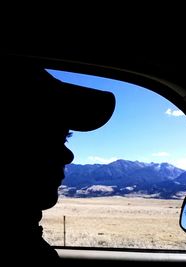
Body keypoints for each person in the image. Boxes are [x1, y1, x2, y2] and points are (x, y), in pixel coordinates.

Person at [2, 54, 115, 265]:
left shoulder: (25, 242)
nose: (68, 155)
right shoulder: (21, 250)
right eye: (45, 135)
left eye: (64, 138)